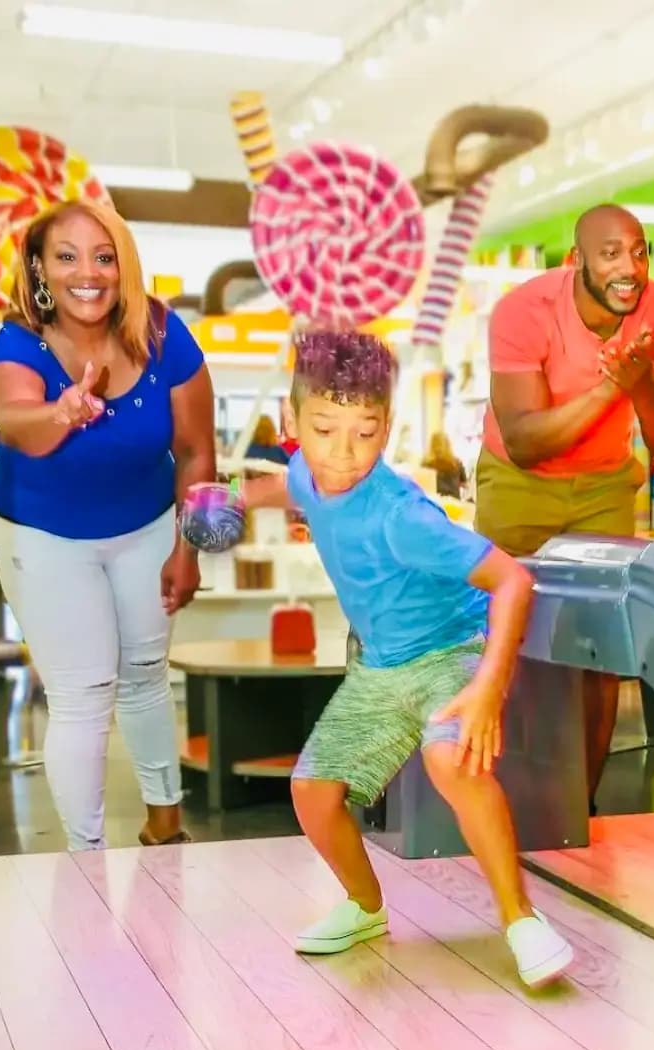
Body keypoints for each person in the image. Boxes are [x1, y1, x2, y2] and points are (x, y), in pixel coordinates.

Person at [242, 328, 574, 988]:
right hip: (383, 665)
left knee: (451, 757)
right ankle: (366, 909)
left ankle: (521, 920)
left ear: (387, 427)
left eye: (365, 432)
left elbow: (513, 581)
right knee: (311, 791)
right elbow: (294, 487)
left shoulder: (402, 516)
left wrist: (486, 688)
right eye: (325, 429)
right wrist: (238, 498)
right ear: (292, 421)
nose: (343, 452)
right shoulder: (308, 471)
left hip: (452, 653)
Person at [0, 198, 215, 850]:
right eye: (67, 256)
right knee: (84, 692)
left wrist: (192, 549)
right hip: (42, 532)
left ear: (124, 265)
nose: (89, 272)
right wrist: (61, 413)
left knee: (145, 671)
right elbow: (12, 422)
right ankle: (85, 858)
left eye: (104, 256)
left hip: (146, 522)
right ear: (41, 269)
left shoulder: (166, 334)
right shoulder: (15, 346)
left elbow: (199, 451)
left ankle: (165, 823)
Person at [477, 204, 654, 809]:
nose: (629, 266)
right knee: (501, 635)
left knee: (599, 649)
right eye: (610, 253)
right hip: (517, 481)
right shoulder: (523, 311)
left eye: (639, 251)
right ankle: (497, 797)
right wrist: (611, 387)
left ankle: (579, 805)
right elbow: (523, 443)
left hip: (604, 483)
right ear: (576, 260)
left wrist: (643, 385)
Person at [421, 429, 468, 499]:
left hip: (435, 504)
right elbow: (464, 484)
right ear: (448, 444)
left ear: (431, 445)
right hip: (454, 505)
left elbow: (421, 487)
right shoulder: (456, 463)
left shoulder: (426, 464)